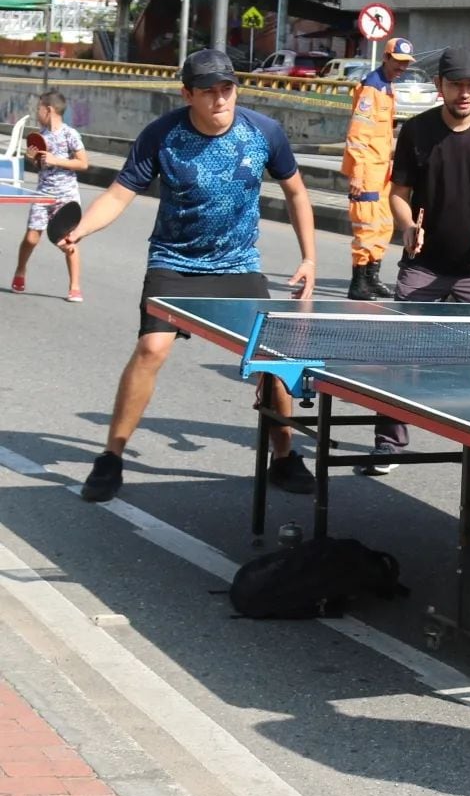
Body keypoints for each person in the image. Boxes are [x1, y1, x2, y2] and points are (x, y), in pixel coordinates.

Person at [58, 49, 318, 505]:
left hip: (238, 265)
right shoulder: (163, 135)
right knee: (151, 348)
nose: (220, 100)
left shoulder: (265, 132)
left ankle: (284, 456)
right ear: (187, 94)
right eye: (208, 92)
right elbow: (120, 195)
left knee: (275, 363)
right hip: (175, 262)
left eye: (227, 89)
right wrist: (81, 230)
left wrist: (309, 258)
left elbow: (296, 193)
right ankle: (111, 457)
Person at [365, 47, 470, 468]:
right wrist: (407, 227)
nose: (464, 93)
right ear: (440, 86)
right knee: (398, 353)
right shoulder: (417, 132)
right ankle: (389, 441)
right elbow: (398, 194)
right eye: (455, 84)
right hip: (426, 264)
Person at [341, 36, 415, 300]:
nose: (402, 67)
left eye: (406, 63)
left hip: (382, 169)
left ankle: (372, 277)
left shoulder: (386, 87)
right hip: (368, 170)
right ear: (386, 57)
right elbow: (358, 134)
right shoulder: (371, 89)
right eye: (398, 62)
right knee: (367, 226)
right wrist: (358, 173)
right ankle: (358, 282)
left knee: (383, 225)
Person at [11, 89, 88, 301]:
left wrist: (57, 160)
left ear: (49, 109)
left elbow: (83, 163)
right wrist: (33, 159)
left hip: (66, 195)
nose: (37, 112)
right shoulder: (39, 136)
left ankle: (74, 287)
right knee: (31, 237)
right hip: (43, 193)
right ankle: (20, 270)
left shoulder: (70, 134)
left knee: (68, 241)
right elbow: (41, 166)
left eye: (38, 108)